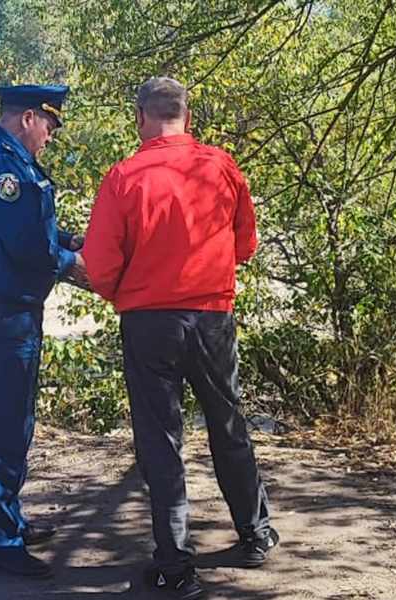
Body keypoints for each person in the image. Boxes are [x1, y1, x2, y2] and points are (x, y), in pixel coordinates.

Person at [82, 77, 278, 600]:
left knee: (162, 440)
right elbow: (246, 244)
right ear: (187, 117)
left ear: (140, 117)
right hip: (212, 317)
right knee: (228, 422)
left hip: (150, 323)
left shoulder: (123, 177)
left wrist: (127, 289)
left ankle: (175, 564)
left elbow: (101, 266)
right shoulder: (221, 165)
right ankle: (255, 534)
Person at [0, 84, 87, 578]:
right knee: (0, 426)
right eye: (50, 127)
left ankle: (7, 519)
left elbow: (31, 229)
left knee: (16, 423)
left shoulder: (9, 158)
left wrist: (69, 238)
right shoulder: (1, 162)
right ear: (29, 117)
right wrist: (71, 262)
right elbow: (24, 243)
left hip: (12, 310)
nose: (50, 137)